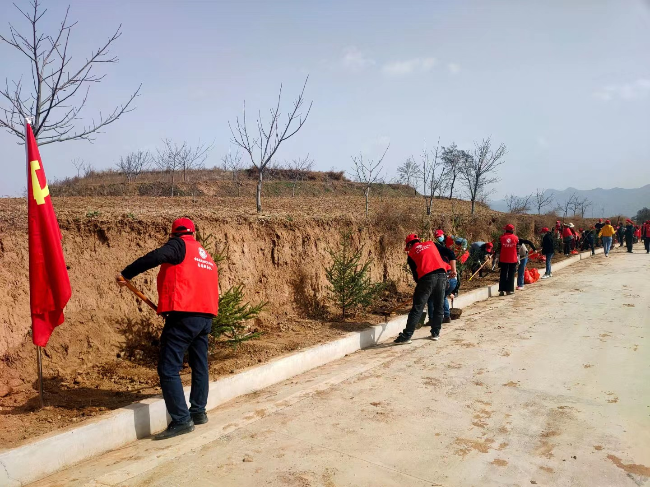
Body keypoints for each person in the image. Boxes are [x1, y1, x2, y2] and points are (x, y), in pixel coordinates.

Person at [116, 218, 219, 440]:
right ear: (193, 233)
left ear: (174, 234)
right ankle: (198, 412)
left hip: (184, 317)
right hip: (205, 317)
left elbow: (154, 257)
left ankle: (182, 420)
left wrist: (127, 274)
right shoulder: (204, 254)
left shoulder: (178, 245)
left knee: (168, 368)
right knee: (199, 364)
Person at [395, 233, 456, 344]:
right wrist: (453, 270)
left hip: (427, 278)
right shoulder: (431, 244)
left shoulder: (411, 254)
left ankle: (407, 335)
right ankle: (435, 333)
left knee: (417, 308)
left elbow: (416, 276)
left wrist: (424, 289)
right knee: (439, 306)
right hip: (443, 276)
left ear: (409, 245)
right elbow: (450, 253)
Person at [496, 224, 519, 296]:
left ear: (506, 230)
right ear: (512, 230)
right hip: (513, 259)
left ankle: (501, 290)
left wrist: (496, 257)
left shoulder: (501, 238)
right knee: (511, 274)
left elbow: (499, 248)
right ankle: (509, 290)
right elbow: (517, 249)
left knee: (503, 273)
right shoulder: (516, 238)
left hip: (503, 258)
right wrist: (518, 257)